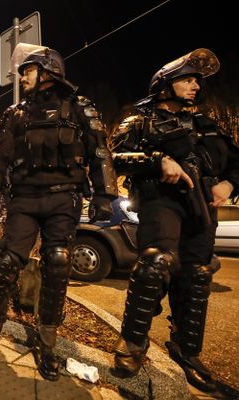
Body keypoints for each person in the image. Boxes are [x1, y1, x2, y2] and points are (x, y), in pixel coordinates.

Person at [0, 46, 118, 381]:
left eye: (27, 70)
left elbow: (99, 152)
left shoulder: (79, 107)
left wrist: (106, 194)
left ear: (47, 71)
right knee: (4, 263)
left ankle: (47, 340)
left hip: (64, 200)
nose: (21, 76)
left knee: (59, 261)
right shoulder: (14, 114)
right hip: (25, 200)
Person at [109, 49, 239, 391]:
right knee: (155, 263)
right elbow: (112, 158)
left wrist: (229, 183)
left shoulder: (206, 125)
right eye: (187, 79)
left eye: (197, 80)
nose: (195, 85)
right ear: (165, 83)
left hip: (203, 207)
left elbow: (235, 163)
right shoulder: (139, 119)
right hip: (161, 202)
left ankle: (186, 350)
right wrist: (157, 161)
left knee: (197, 276)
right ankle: (132, 344)